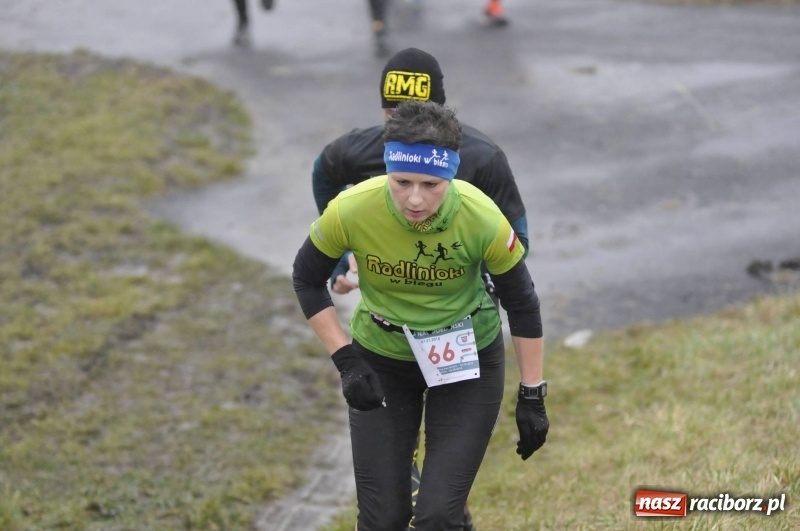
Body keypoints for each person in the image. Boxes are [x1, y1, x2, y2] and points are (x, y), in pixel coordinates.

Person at [292, 100, 549, 530]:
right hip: (382, 356)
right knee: (383, 520)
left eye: (431, 184)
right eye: (401, 182)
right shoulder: (352, 208)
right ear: (387, 171)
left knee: (439, 515)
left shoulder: (482, 217)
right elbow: (306, 278)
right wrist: (346, 361)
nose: (415, 199)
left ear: (452, 175)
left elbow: (522, 303)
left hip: (467, 358)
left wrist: (533, 394)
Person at [312, 47, 530, 297]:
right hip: (389, 303)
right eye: (393, 115)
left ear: (440, 114)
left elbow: (518, 241)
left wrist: (469, 277)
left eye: (419, 117)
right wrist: (344, 252)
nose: (405, 130)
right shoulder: (358, 151)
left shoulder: (483, 158)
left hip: (462, 303)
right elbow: (323, 176)